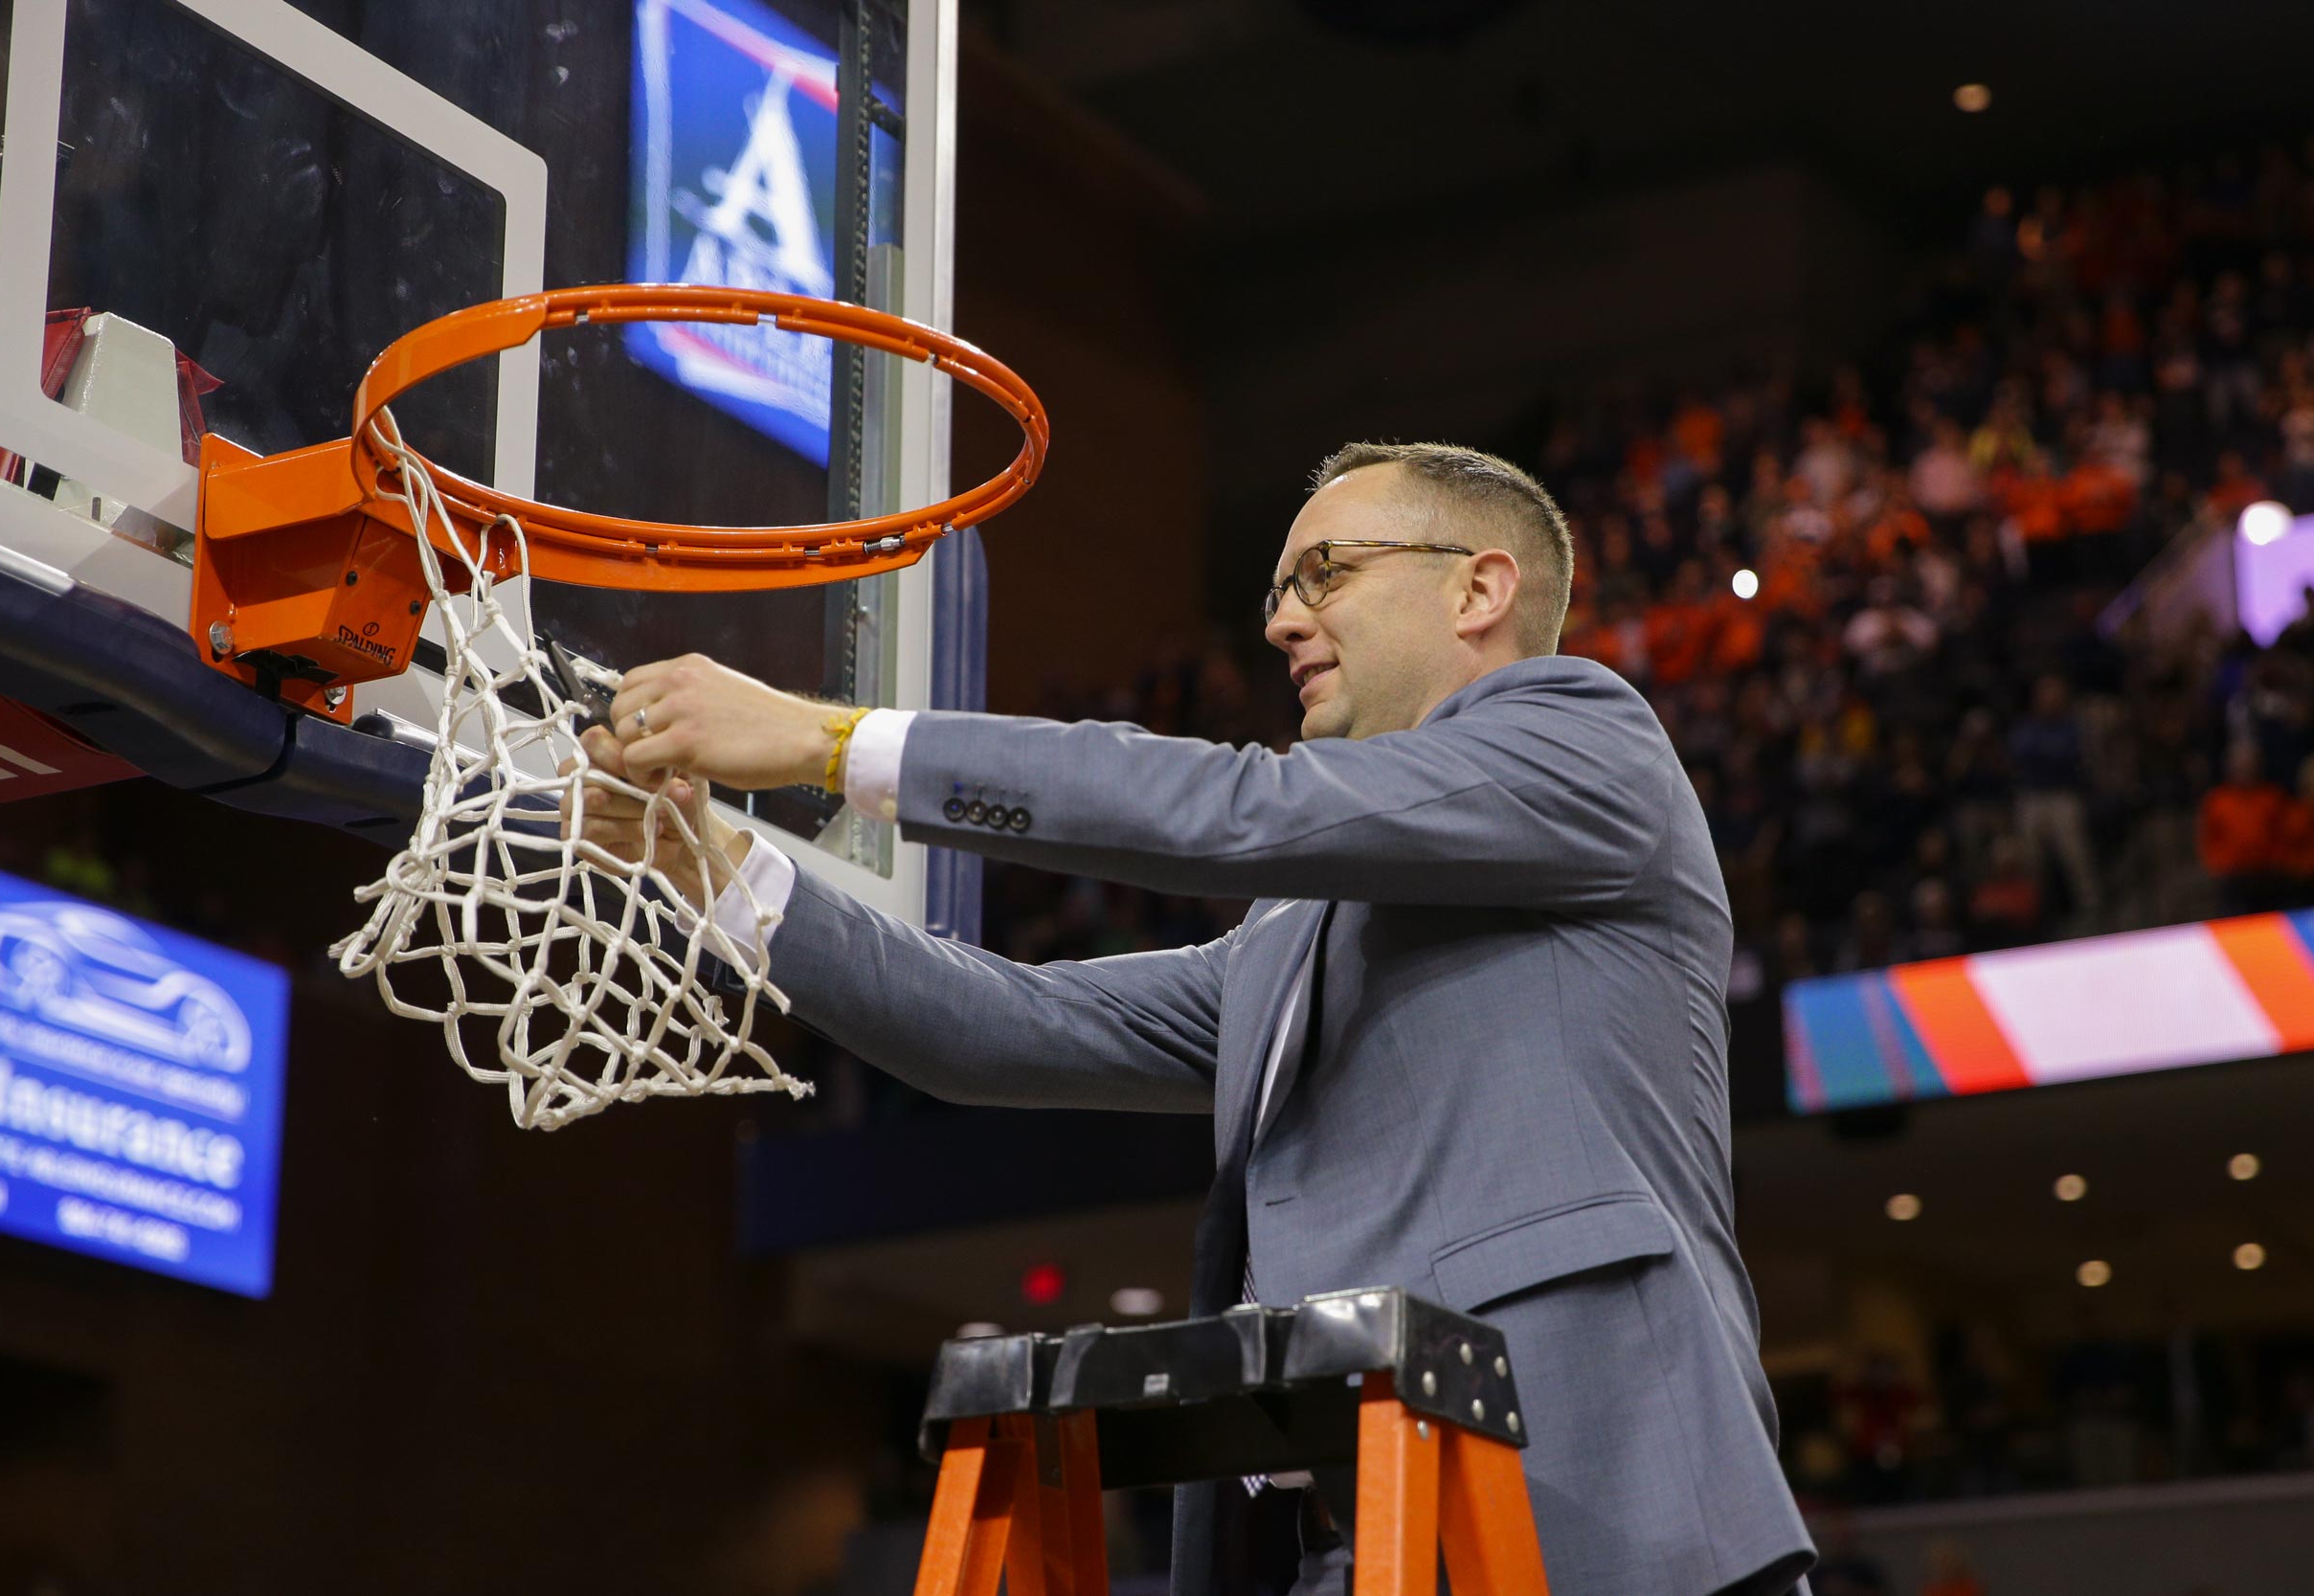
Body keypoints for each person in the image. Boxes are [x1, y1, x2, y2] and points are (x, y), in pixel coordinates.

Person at [566, 442, 1813, 1596]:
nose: (1280, 618)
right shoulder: (1297, 925)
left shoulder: (1582, 738)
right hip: (1363, 1544)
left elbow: (1239, 807)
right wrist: (716, 867)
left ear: (1479, 589)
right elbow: (1004, 1029)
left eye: (1323, 572)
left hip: (1617, 1522)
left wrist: (828, 741)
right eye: (1277, 587)